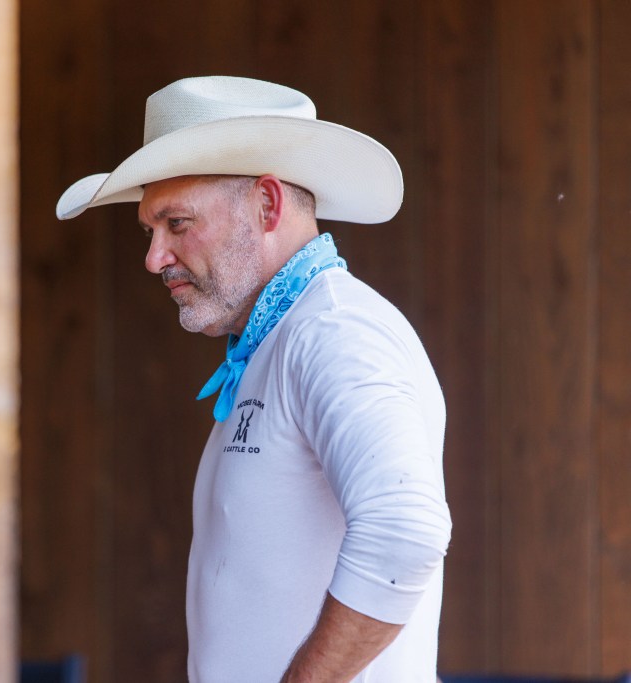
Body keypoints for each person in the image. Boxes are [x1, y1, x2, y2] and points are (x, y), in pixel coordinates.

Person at [56, 76, 452, 683]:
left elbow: (405, 533)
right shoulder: (293, 334)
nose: (153, 257)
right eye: (150, 231)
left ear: (267, 204)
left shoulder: (335, 332)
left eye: (178, 223)